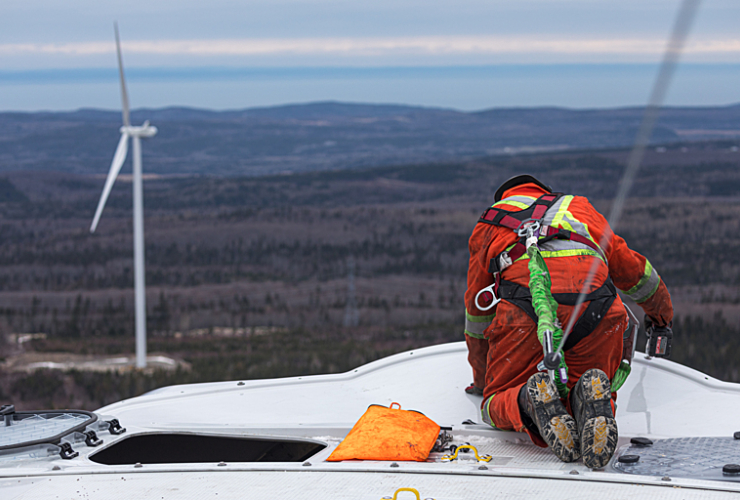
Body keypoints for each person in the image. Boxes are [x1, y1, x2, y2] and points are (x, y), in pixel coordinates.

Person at [464, 174, 674, 468]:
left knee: (494, 404)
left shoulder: (490, 223)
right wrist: (660, 317)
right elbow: (637, 274)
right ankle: (590, 393)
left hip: (525, 313)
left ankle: (528, 399)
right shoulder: (580, 208)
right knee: (585, 393)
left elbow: (478, 313)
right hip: (599, 310)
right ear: (545, 192)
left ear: (504, 196)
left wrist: (482, 380)